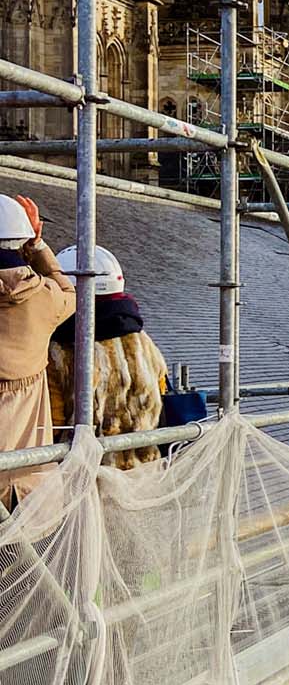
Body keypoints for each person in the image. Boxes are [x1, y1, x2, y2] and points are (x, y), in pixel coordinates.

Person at [49, 245, 167, 469]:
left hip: (83, 477)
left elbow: (54, 425)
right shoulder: (144, 343)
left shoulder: (58, 352)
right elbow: (160, 400)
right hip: (143, 474)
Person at [0, 194, 75, 508]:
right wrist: (39, 247)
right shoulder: (45, 298)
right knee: (25, 558)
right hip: (26, 482)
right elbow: (72, 292)